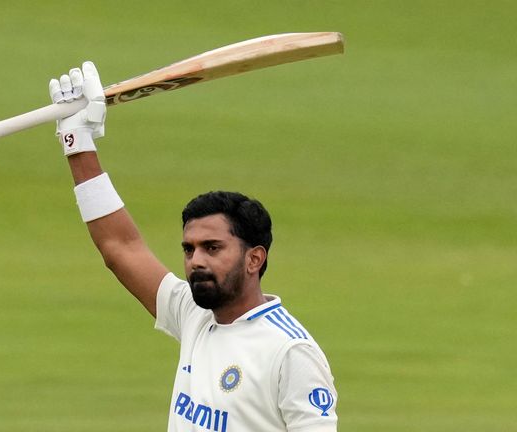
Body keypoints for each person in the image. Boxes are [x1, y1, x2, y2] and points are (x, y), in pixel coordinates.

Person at [48, 62, 338, 432]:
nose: (195, 261)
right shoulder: (195, 315)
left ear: (254, 258)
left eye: (212, 248)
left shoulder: (290, 351)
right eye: (189, 249)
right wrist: (77, 142)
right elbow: (120, 247)